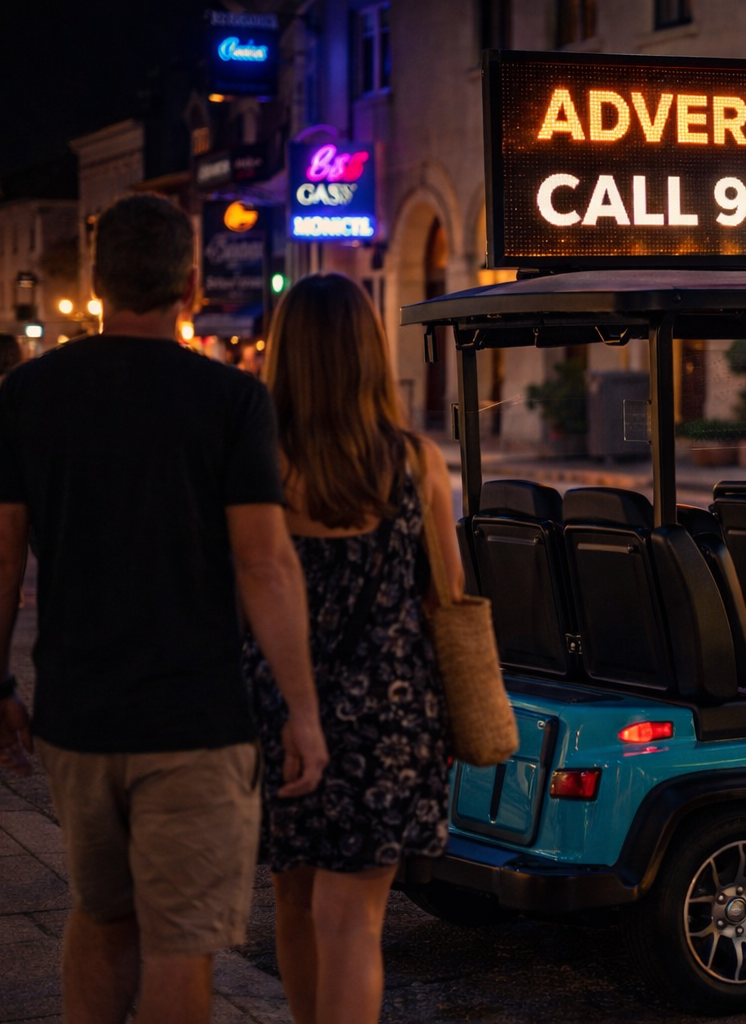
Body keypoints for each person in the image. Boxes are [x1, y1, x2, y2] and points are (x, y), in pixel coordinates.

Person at [0, 194, 329, 1024]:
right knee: (179, 941)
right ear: (190, 285)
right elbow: (265, 565)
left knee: (102, 916)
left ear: (97, 285)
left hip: (78, 713)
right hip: (195, 719)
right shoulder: (231, 400)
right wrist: (302, 711)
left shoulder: (28, 394)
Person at [249, 272, 457, 1024]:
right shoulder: (415, 462)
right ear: (370, 354)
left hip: (278, 704)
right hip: (390, 711)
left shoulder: (259, 461)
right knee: (355, 924)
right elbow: (447, 598)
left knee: (293, 899)